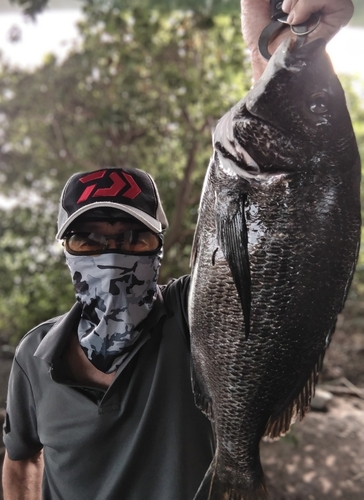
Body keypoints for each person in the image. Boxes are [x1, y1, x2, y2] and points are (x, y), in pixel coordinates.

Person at [2, 1, 354, 499]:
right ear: (65, 249)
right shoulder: (32, 359)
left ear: (161, 249)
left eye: (134, 239)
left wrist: (295, 40)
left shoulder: (193, 319)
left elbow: (281, 246)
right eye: (89, 240)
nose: (112, 257)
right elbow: (20, 460)